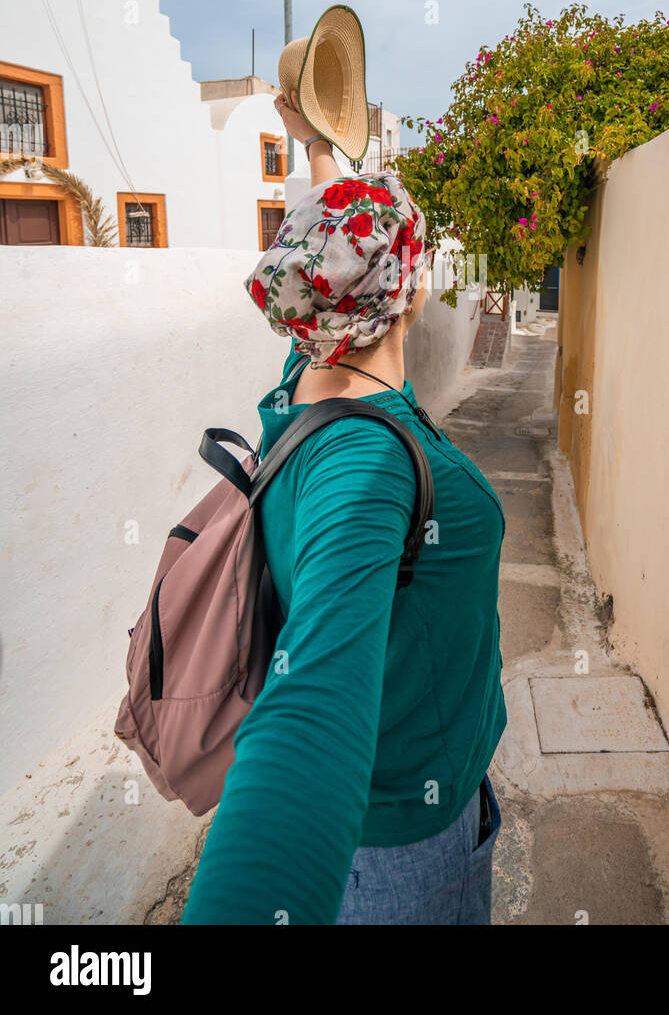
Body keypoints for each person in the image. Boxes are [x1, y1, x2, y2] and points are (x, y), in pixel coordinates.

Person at [181, 89, 507, 926]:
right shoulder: (365, 465)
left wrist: (316, 145)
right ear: (411, 287)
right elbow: (310, 710)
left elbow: (341, 248)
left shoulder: (301, 380)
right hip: (403, 850)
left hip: (418, 805)